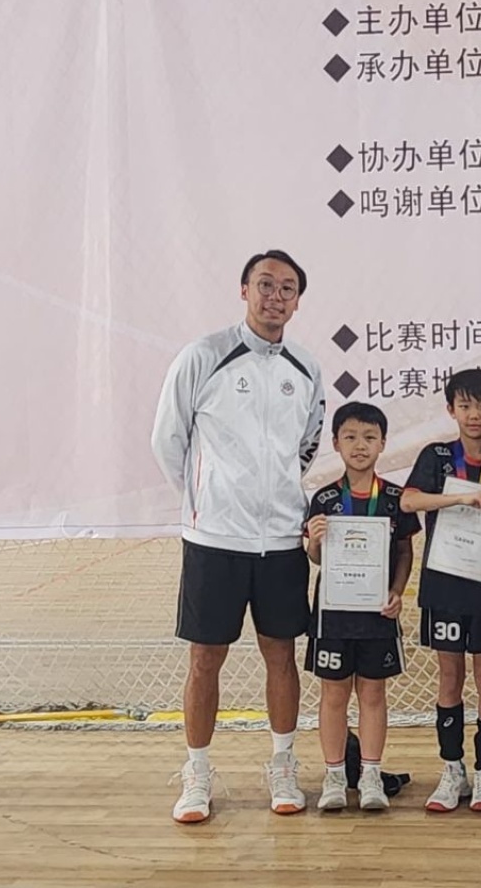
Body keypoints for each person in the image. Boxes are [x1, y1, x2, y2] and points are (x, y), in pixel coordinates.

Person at [151, 249, 326, 824]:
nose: (276, 296)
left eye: (287, 288)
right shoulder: (203, 356)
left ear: (297, 301)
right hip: (214, 538)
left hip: (281, 540)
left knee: (282, 655)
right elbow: (168, 440)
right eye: (265, 285)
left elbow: (305, 445)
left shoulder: (306, 368)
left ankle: (282, 765)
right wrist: (208, 499)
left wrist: (276, 498)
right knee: (206, 658)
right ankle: (197, 772)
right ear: (244, 289)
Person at [402, 368, 481, 814]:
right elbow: (409, 500)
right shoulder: (437, 456)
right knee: (450, 678)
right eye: (465, 405)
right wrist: (461, 498)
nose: (474, 414)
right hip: (445, 582)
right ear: (451, 409)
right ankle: (452, 770)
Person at [303, 402, 419, 812]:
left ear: (383, 443)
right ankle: (335, 775)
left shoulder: (394, 498)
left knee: (372, 693)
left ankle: (370, 774)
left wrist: (398, 591)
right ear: (335, 443)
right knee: (333, 694)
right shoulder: (324, 498)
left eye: (370, 437)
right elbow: (317, 558)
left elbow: (404, 551)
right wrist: (315, 541)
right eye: (350, 437)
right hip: (333, 615)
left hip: (377, 614)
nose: (360, 445)